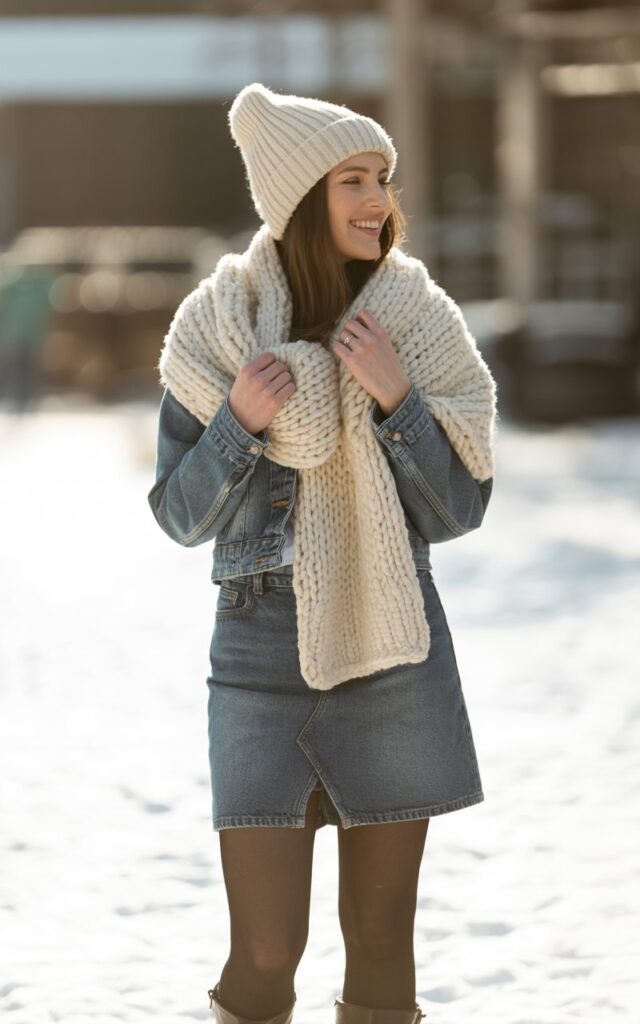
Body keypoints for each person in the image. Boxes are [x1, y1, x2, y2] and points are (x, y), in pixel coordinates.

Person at [147, 83, 497, 1024]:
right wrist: (238, 427)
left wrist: (399, 403)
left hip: (394, 651)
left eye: (382, 177)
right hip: (259, 657)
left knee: (383, 952)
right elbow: (179, 519)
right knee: (263, 957)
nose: (378, 198)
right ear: (301, 196)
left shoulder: (418, 323)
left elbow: (461, 508)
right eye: (353, 179)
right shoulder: (213, 329)